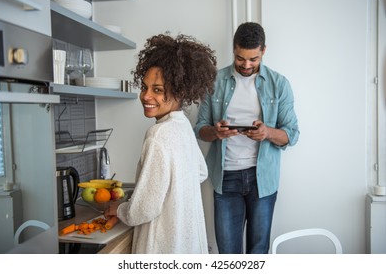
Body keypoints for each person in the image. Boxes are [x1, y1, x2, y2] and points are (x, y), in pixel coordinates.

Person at [104, 34, 217, 254]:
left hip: (164, 246)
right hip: (188, 241)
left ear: (180, 92)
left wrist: (120, 209)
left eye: (157, 89)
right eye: (145, 87)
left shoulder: (158, 134)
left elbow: (143, 210)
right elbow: (200, 172)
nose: (146, 96)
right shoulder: (182, 125)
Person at [194, 22, 299, 254]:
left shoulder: (279, 84)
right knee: (228, 253)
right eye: (241, 58)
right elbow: (199, 129)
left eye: (253, 59)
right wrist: (216, 131)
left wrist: (267, 132)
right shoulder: (214, 82)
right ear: (233, 48)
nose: (246, 65)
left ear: (264, 50)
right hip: (226, 178)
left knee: (258, 252)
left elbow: (291, 134)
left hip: (262, 179)